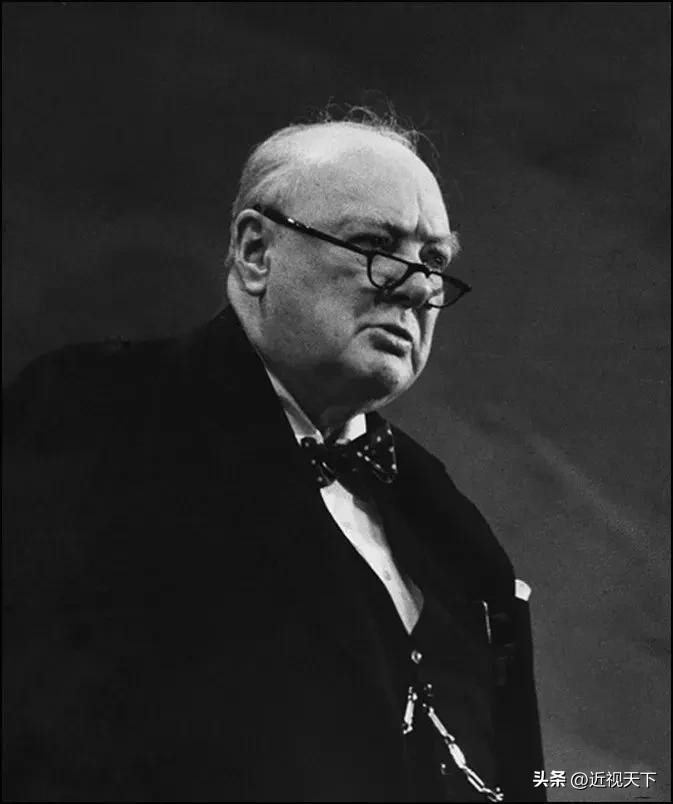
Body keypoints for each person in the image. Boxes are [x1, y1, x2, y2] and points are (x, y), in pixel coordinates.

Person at [3, 113, 545, 802]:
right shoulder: (95, 411)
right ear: (256, 252)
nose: (416, 287)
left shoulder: (451, 524)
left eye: (434, 261)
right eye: (374, 244)